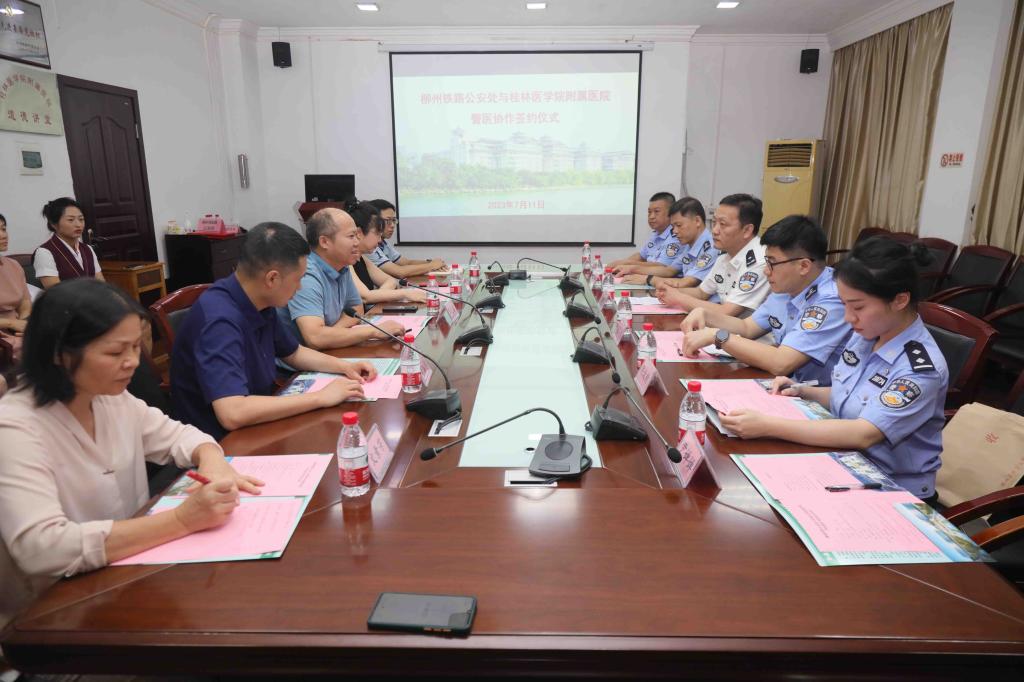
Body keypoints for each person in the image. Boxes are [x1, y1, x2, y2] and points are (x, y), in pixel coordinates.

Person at [0, 279, 261, 627]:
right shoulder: (15, 428)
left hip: (129, 575)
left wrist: (213, 462)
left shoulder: (110, 398)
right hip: (57, 612)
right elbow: (44, 548)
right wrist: (182, 520)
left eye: (136, 347)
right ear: (59, 353)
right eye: (115, 352)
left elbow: (181, 436)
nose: (132, 362)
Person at [720, 238, 948, 500]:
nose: (848, 317)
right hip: (842, 459)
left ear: (900, 300)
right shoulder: (868, 333)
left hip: (891, 487)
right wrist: (803, 391)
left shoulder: (920, 369)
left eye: (858, 307)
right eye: (844, 305)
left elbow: (863, 433)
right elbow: (851, 396)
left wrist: (767, 426)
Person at [171, 223, 377, 440]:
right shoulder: (219, 320)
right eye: (298, 280)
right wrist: (321, 397)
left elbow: (294, 352)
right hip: (219, 442)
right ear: (272, 278)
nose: (299, 288)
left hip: (259, 418)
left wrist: (345, 367)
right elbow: (233, 413)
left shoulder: (260, 299)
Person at [681, 215, 851, 386]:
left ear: (804, 266)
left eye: (772, 263)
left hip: (816, 396)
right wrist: (705, 314)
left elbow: (781, 363)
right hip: (786, 386)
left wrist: (718, 336)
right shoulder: (788, 286)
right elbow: (747, 327)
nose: (766, 271)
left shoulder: (831, 300)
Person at [279, 207, 407, 350]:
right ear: (324, 242)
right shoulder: (306, 275)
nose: (357, 242)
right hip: (302, 361)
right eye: (351, 236)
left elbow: (357, 309)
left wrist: (331, 333)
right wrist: (373, 331)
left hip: (329, 350)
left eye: (357, 236)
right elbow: (315, 338)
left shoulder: (342, 266)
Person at [655, 193, 770, 317]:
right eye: (714, 222)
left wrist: (678, 297)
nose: (714, 230)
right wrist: (669, 291)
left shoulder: (759, 262)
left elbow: (726, 312)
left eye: (723, 224)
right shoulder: (725, 256)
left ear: (747, 230)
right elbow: (701, 293)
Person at [620, 197, 719, 288]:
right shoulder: (690, 244)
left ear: (697, 221)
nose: (675, 231)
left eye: (679, 225)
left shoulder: (711, 247)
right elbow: (669, 270)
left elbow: (687, 282)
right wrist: (633, 269)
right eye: (673, 226)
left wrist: (648, 279)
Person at [349, 202, 427, 305]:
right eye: (377, 234)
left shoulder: (362, 258)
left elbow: (391, 281)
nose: (379, 240)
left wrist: (377, 296)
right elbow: (365, 297)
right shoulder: (346, 263)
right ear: (359, 233)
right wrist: (405, 294)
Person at [33, 197, 105, 289]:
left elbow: (101, 283)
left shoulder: (87, 248)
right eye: (70, 220)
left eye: (81, 219)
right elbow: (55, 292)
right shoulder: (45, 252)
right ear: (53, 224)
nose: (78, 225)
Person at [367, 199, 446, 278]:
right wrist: (431, 266)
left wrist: (431, 263)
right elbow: (399, 272)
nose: (392, 225)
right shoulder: (369, 247)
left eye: (393, 220)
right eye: (388, 220)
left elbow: (406, 263)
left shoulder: (384, 243)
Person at [607, 192, 679, 273]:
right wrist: (621, 264)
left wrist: (627, 264)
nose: (651, 216)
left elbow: (661, 266)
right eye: (649, 212)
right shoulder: (656, 233)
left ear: (671, 214)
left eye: (656, 211)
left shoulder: (676, 236)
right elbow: (641, 256)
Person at [0, 214, 31, 361]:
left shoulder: (13, 265)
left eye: (3, 229)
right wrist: (12, 324)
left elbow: (25, 302)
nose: (3, 235)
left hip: (17, 328)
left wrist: (25, 323)